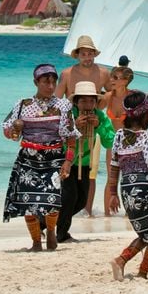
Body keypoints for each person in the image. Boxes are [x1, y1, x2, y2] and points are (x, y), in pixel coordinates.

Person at [2, 63, 78, 251]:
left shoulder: (63, 105)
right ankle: (36, 241)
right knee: (28, 204)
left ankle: (51, 232)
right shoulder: (23, 105)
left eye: (53, 82)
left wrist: (68, 162)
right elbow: (10, 134)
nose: (50, 86)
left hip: (54, 158)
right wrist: (14, 130)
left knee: (52, 200)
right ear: (36, 82)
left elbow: (70, 138)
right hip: (28, 159)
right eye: (46, 82)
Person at [107, 91, 148, 280]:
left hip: (127, 190)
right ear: (146, 114)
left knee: (147, 232)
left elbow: (114, 168)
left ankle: (122, 261)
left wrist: (113, 194)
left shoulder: (119, 136)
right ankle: (136, 268)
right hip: (146, 189)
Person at [58, 81, 115, 243]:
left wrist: (98, 127)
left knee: (82, 200)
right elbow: (58, 137)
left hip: (85, 162)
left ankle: (46, 223)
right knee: (69, 197)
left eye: (91, 101)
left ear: (96, 103)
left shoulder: (101, 116)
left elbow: (109, 142)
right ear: (76, 102)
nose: (88, 105)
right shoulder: (68, 115)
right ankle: (62, 234)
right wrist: (74, 127)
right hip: (66, 161)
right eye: (83, 101)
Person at [96, 64, 133, 216]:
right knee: (111, 179)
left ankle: (129, 213)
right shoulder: (108, 97)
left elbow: (144, 119)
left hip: (131, 142)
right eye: (112, 77)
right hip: (113, 142)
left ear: (126, 80)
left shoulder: (132, 97)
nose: (112, 80)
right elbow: (95, 110)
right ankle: (107, 215)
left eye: (116, 78)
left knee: (129, 178)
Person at [55, 35, 111, 99]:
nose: (87, 58)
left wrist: (100, 107)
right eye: (83, 54)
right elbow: (57, 101)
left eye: (90, 54)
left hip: (96, 108)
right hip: (72, 109)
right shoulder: (66, 75)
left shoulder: (104, 73)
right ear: (77, 55)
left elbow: (114, 94)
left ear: (94, 54)